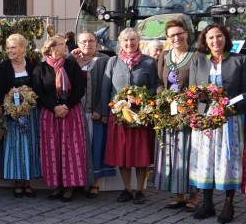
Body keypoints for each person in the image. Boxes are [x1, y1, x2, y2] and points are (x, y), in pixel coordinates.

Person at [188, 24, 246, 223]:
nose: (215, 41)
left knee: (228, 161)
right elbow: (193, 92)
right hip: (205, 119)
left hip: (230, 118)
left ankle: (229, 204)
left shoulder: (240, 60)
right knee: (205, 160)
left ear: (225, 38)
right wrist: (199, 116)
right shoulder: (198, 61)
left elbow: (245, 91)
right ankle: (207, 203)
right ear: (205, 41)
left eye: (219, 36)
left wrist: (228, 105)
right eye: (211, 37)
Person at [100, 28, 157, 204]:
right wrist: (104, 112)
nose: (129, 43)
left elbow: (155, 87)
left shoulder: (149, 62)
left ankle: (140, 190)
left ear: (138, 41)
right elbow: (106, 88)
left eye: (132, 40)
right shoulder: (113, 62)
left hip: (140, 117)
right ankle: (127, 189)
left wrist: (142, 99)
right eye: (125, 40)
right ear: (120, 42)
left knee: (141, 155)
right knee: (122, 155)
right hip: (118, 116)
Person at [32, 35, 87, 201]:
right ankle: (58, 185)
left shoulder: (71, 65)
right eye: (62, 44)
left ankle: (70, 186)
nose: (66, 47)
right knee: (53, 150)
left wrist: (66, 106)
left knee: (70, 149)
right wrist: (54, 107)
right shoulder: (40, 68)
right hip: (50, 114)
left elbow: (80, 89)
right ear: (52, 49)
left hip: (70, 112)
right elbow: (38, 92)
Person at [154, 19, 198, 211]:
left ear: (186, 34)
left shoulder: (196, 55)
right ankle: (178, 194)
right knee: (173, 152)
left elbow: (200, 85)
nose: (176, 38)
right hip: (169, 110)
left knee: (190, 152)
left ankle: (194, 195)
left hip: (190, 110)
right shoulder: (164, 55)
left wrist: (190, 107)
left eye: (179, 33)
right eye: (172, 35)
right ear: (167, 38)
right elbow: (159, 81)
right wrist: (161, 98)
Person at [0, 33, 41, 197]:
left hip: (30, 113)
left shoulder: (32, 63)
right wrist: (10, 106)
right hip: (13, 115)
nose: (10, 51)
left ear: (22, 48)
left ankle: (28, 181)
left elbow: (39, 85)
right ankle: (17, 181)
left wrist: (28, 97)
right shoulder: (3, 67)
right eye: (8, 48)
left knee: (30, 145)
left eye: (13, 47)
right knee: (15, 146)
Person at [69, 30, 113, 198]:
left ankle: (94, 182)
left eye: (90, 41)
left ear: (96, 42)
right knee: (77, 148)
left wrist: (101, 110)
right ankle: (78, 180)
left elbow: (108, 87)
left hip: (94, 111)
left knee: (95, 146)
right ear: (78, 44)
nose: (87, 44)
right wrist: (70, 58)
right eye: (83, 42)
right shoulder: (72, 61)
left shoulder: (105, 60)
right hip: (75, 112)